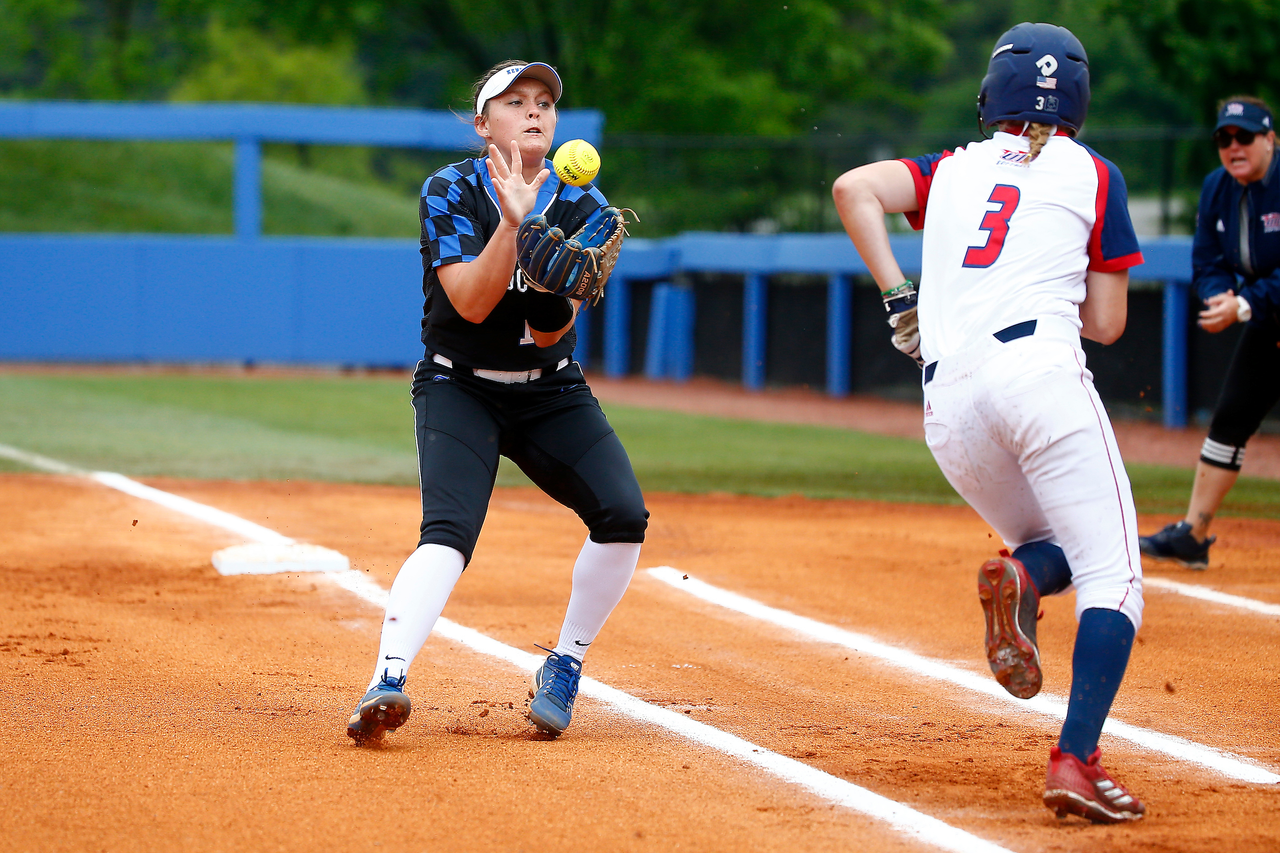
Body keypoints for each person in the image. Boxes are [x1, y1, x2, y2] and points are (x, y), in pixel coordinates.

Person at [832, 23, 1147, 823]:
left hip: (949, 399)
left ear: (992, 96)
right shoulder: (1097, 174)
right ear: (1075, 99)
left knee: (1061, 550)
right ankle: (1078, 760)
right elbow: (1106, 324)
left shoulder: (951, 168)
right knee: (1115, 574)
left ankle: (1027, 577)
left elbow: (852, 189)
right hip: (1038, 372)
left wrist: (901, 295)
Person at [345, 60, 648, 744]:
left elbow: (551, 329)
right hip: (460, 384)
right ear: (484, 125)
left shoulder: (588, 210)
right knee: (448, 531)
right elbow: (473, 301)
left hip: (550, 391)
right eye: (515, 101)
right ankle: (387, 678)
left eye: (544, 101)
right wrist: (514, 225)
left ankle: (564, 666)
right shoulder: (449, 189)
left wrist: (549, 271)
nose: (535, 110)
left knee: (624, 514)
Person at [1139, 96, 1280, 571]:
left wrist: (1244, 303)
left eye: (1244, 137)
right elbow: (1207, 262)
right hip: (1267, 320)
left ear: (1270, 140)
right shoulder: (1217, 188)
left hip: (1261, 309)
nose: (1233, 145)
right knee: (1231, 420)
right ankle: (1194, 534)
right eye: (1224, 138)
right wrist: (1222, 295)